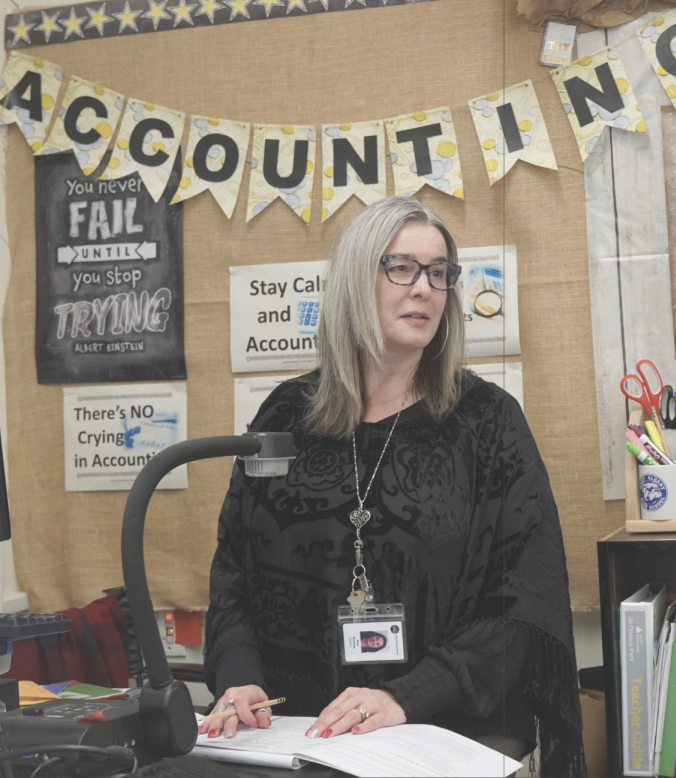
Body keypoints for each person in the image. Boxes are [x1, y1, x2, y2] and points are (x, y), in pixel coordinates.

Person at [200, 196, 584, 776]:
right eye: (402, 267)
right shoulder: (284, 416)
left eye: (439, 272)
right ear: (357, 279)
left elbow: (526, 603)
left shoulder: (487, 421)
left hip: (438, 733)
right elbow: (234, 573)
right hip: (296, 736)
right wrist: (238, 677)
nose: (424, 288)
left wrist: (409, 695)